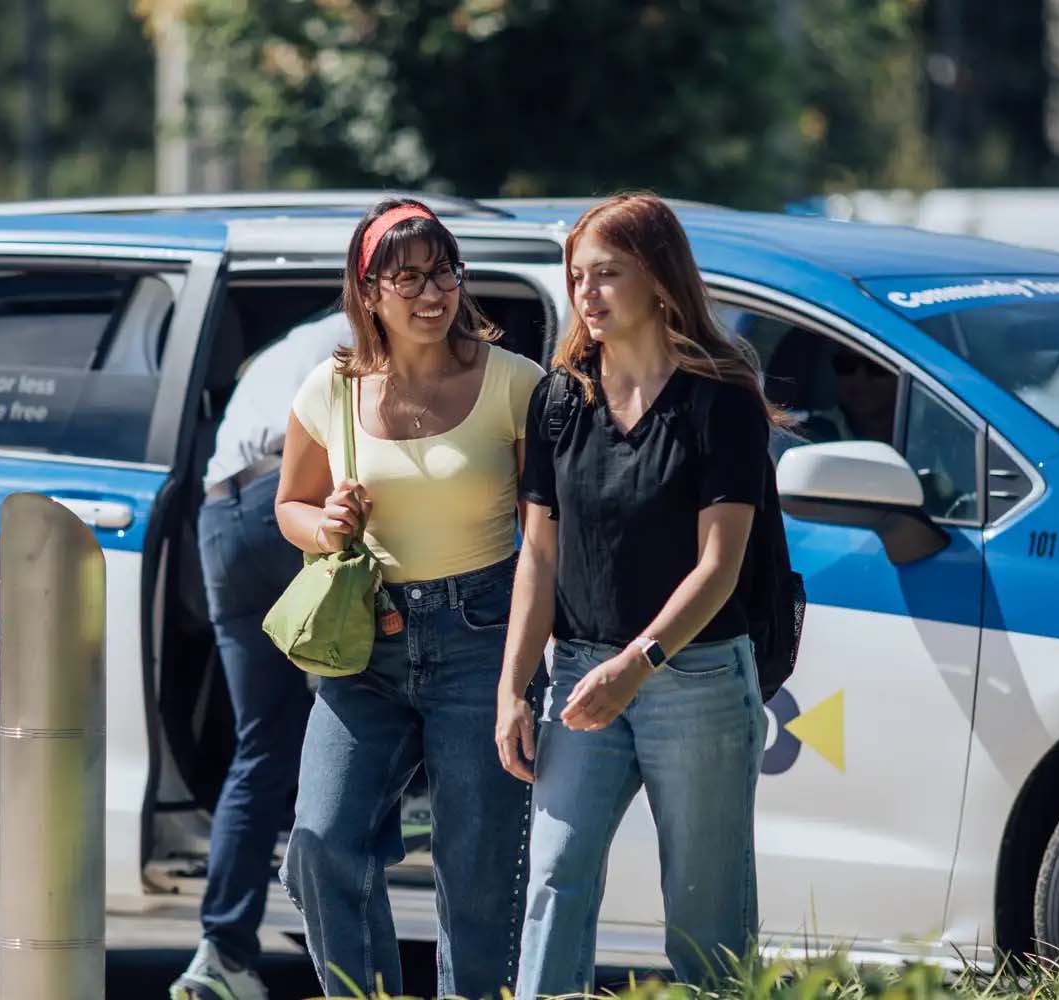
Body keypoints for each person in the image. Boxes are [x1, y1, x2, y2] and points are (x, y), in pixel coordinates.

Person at [495, 192, 786, 995]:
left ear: (660, 280)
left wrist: (639, 663)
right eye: (577, 275)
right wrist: (514, 688)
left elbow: (719, 566)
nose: (587, 294)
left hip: (690, 678)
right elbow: (538, 559)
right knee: (554, 878)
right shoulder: (558, 399)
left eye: (608, 274)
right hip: (581, 672)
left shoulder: (720, 398)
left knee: (706, 918)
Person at [275, 199, 546, 998]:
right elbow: (289, 507)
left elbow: (547, 540)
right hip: (368, 644)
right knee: (321, 842)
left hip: (483, 637)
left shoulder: (514, 385)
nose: (434, 294)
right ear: (368, 291)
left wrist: (518, 679)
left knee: (478, 877)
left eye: (446, 272)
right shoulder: (330, 387)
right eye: (410, 277)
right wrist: (325, 526)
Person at [171, 310, 351, 1000]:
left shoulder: (287, 345)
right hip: (293, 503)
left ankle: (222, 955)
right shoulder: (381, 333)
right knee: (378, 693)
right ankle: (412, 795)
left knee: (261, 749)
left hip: (222, 521)